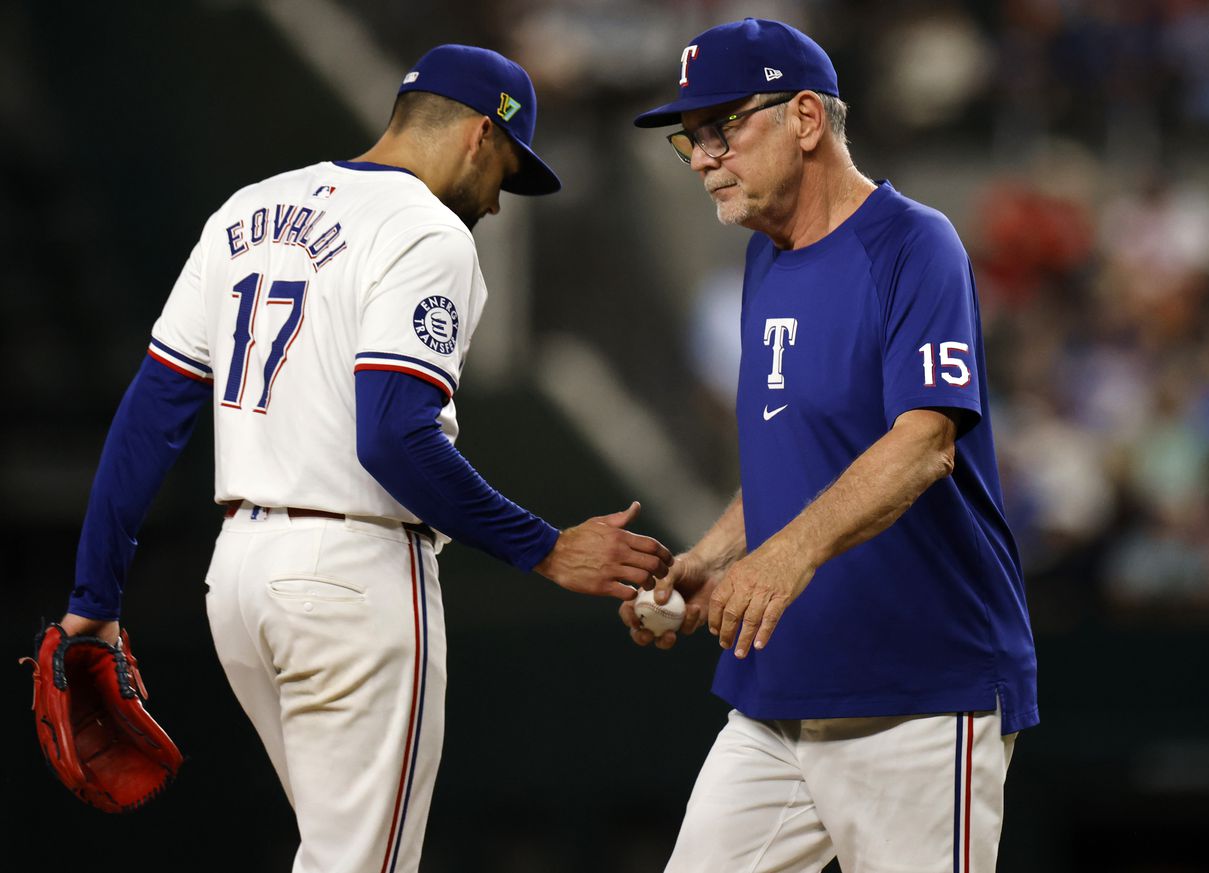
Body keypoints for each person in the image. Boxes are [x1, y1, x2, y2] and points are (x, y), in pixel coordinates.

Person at [56, 44, 672, 873]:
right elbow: (392, 436)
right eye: (507, 171)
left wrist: (92, 597)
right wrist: (546, 546)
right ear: (479, 136)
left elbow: (150, 418)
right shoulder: (427, 231)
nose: (496, 203)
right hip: (350, 579)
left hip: (239, 583)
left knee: (338, 854)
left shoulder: (246, 211)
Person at [622, 18, 1038, 873]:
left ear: (805, 118)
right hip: (779, 700)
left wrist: (781, 560)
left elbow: (925, 442)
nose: (702, 156)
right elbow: (799, 451)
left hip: (920, 695)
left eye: (722, 127)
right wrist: (713, 553)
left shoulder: (914, 243)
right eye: (690, 138)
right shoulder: (764, 260)